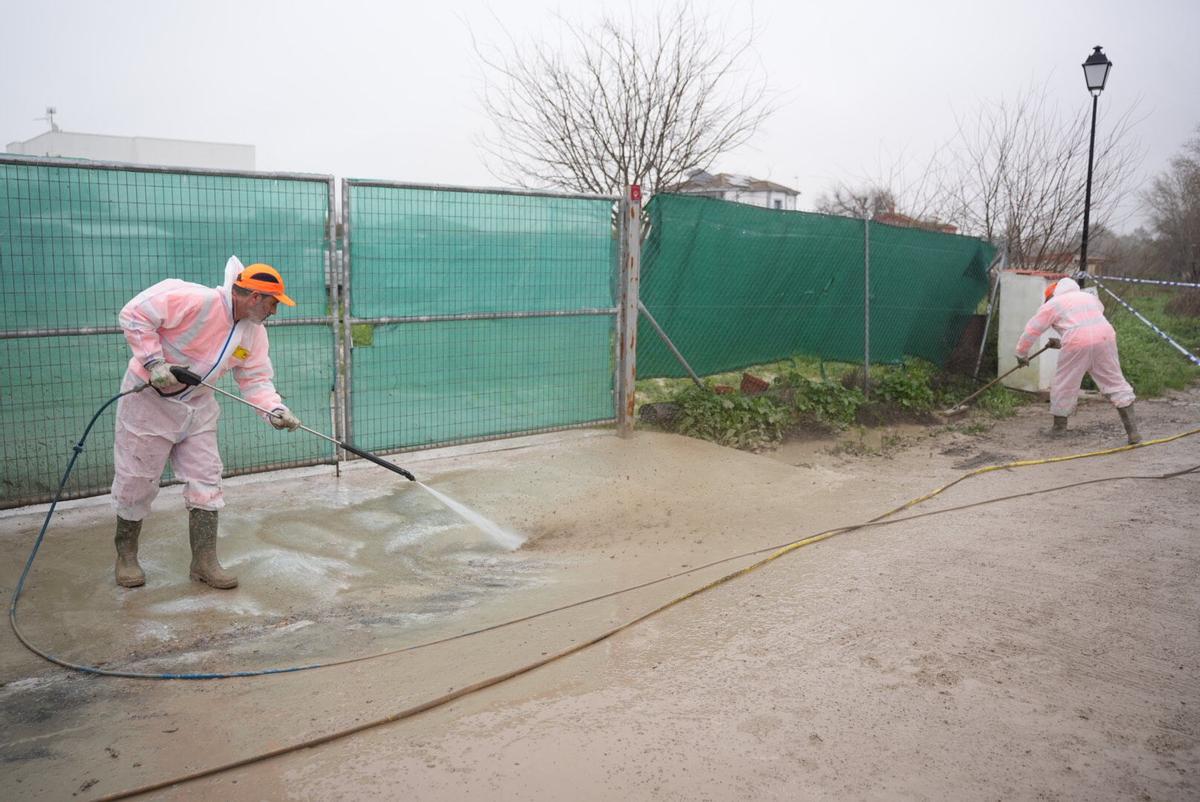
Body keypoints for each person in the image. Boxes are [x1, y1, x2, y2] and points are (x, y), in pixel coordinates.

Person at [110, 256, 302, 590]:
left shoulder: (253, 333)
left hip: (197, 408)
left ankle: (204, 562)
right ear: (255, 297)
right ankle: (126, 556)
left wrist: (274, 409)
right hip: (149, 403)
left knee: (207, 479)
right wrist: (154, 362)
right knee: (136, 480)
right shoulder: (195, 300)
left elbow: (255, 378)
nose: (274, 311)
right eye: (273, 303)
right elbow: (135, 313)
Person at [1014, 276, 1140, 444]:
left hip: (1077, 341)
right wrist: (1064, 342)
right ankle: (1133, 432)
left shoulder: (1053, 304)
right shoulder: (1089, 297)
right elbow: (1088, 327)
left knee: (1064, 383)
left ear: (1052, 295)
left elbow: (1032, 330)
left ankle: (1059, 428)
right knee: (1115, 382)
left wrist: (1021, 354)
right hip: (1105, 337)